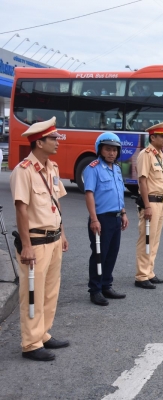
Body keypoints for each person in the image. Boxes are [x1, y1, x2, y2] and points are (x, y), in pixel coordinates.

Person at [9, 116, 70, 362]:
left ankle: (42, 333)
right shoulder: (23, 171)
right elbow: (21, 210)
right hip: (35, 242)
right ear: (39, 142)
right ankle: (31, 343)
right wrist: (26, 245)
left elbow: (57, 205)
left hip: (53, 239)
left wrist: (62, 234)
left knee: (50, 292)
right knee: (32, 293)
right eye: (53, 138)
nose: (57, 141)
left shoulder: (52, 168)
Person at [83, 132, 129, 306]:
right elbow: (89, 194)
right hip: (101, 219)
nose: (112, 153)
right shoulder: (93, 168)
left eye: (115, 150)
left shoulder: (116, 168)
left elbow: (119, 194)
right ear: (100, 150)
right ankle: (95, 290)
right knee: (99, 255)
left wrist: (123, 213)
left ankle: (106, 285)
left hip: (116, 218)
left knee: (112, 253)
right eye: (108, 149)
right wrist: (94, 219)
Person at [134, 122, 163, 289]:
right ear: (152, 137)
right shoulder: (145, 154)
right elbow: (142, 181)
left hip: (159, 203)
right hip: (150, 203)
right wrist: (147, 206)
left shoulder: (159, 155)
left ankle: (149, 272)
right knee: (146, 239)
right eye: (162, 136)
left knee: (154, 240)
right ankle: (141, 275)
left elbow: (159, 182)